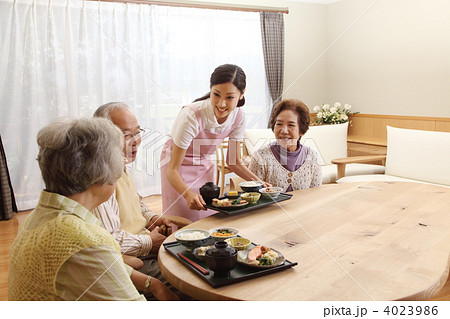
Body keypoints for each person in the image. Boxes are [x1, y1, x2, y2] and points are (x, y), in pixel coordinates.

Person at [8, 117, 178, 300]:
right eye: (118, 157)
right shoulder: (86, 241)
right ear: (101, 175)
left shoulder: (41, 216)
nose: (123, 161)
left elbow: (104, 267)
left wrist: (152, 285)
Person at [160, 64, 269, 222]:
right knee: (183, 219)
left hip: (203, 164)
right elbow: (172, 170)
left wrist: (258, 183)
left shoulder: (238, 117)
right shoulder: (192, 115)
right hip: (176, 168)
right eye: (216, 94)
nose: (221, 104)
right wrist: (188, 193)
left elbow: (233, 162)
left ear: (242, 94)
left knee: (208, 216)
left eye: (229, 97)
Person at [92, 103, 189, 279]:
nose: (136, 140)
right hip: (129, 257)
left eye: (137, 132)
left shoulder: (121, 164)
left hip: (144, 244)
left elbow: (135, 200)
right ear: (103, 137)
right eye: (127, 135)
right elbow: (110, 240)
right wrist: (149, 242)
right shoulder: (101, 178)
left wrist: (151, 217)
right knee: (189, 277)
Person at [248, 99, 322, 191]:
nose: (283, 131)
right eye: (279, 124)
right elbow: (251, 196)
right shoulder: (260, 157)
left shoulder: (313, 157)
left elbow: (316, 195)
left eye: (291, 125)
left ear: (302, 130)